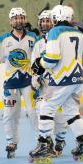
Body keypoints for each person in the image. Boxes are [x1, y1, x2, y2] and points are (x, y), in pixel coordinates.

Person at [29, 5, 83, 163]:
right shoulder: (78, 33)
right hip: (77, 80)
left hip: (60, 80)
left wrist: (40, 63)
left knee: (45, 107)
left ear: (55, 18)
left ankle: (44, 146)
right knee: (72, 113)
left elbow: (51, 59)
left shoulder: (54, 32)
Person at [0, 7, 38, 158]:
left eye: (21, 17)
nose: (18, 20)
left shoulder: (33, 37)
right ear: (10, 21)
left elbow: (41, 55)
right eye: (15, 18)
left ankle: (43, 140)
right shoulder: (3, 39)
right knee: (9, 114)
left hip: (29, 82)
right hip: (10, 84)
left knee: (33, 112)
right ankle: (11, 142)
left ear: (24, 19)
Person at [31, 10, 67, 156]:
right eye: (43, 21)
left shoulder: (60, 39)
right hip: (45, 86)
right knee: (41, 110)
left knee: (61, 116)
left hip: (60, 83)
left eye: (48, 21)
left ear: (53, 22)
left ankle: (60, 139)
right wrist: (35, 79)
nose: (45, 23)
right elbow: (34, 64)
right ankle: (46, 141)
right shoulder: (38, 44)